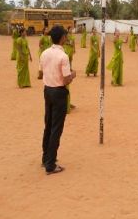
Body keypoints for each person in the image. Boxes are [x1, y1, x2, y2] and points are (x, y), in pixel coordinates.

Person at [39, 25, 76, 174]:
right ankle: (50, 164)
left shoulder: (44, 53)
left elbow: (40, 73)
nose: (66, 38)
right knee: (56, 128)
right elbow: (66, 80)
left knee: (48, 124)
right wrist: (73, 74)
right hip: (59, 92)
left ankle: (45, 158)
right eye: (65, 36)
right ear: (62, 38)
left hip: (47, 91)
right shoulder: (63, 56)